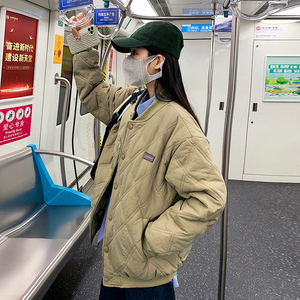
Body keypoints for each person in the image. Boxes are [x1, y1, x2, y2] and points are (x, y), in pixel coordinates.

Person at [70, 14, 227, 300]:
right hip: (116, 258)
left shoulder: (178, 125)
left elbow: (210, 198)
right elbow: (93, 92)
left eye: (134, 53)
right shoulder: (131, 103)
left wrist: (152, 240)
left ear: (158, 62)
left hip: (146, 273)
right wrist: (85, 43)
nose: (129, 60)